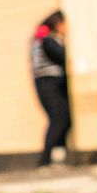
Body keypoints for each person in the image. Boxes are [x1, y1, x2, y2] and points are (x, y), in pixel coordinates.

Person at [29, 10, 69, 167]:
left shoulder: (42, 37)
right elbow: (60, 55)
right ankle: (46, 159)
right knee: (59, 118)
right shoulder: (45, 38)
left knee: (63, 118)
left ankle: (57, 154)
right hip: (48, 82)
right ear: (58, 24)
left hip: (49, 82)